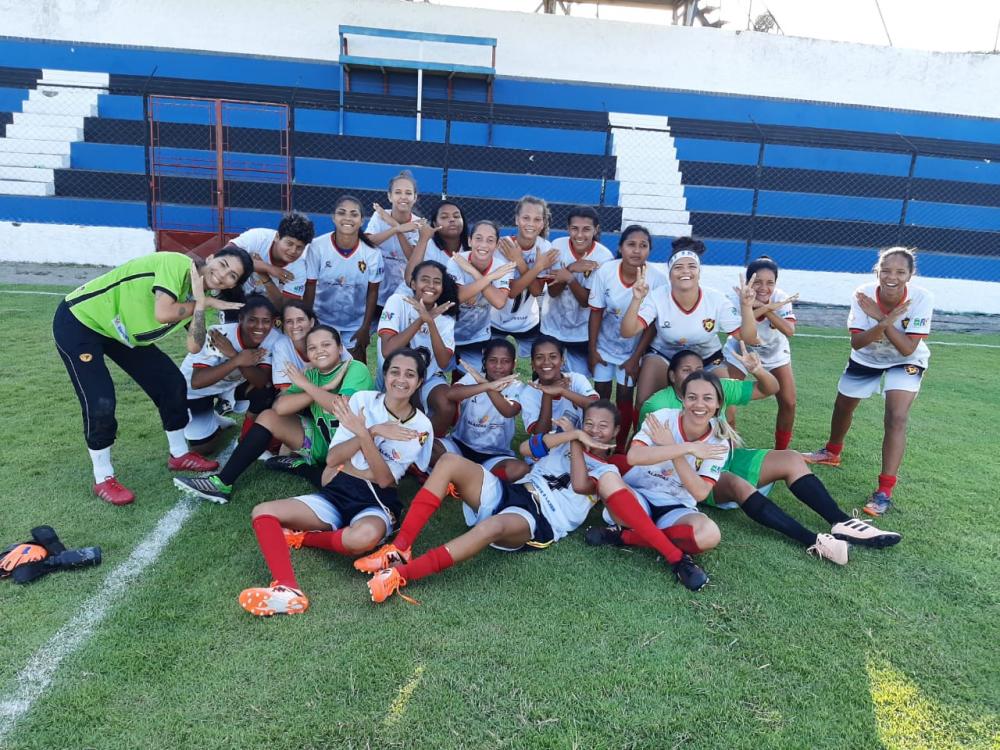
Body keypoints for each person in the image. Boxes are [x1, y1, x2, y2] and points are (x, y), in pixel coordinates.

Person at [237, 349, 434, 616]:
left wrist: (363, 436)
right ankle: (287, 589)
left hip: (376, 500)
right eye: (395, 372)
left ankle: (303, 538)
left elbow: (385, 479)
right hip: (338, 488)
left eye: (410, 374)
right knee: (263, 512)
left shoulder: (420, 426)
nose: (401, 379)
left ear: (419, 382)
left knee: (361, 539)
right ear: (385, 375)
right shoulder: (363, 401)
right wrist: (373, 432)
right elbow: (333, 458)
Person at [54, 247, 253, 505]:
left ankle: (179, 454)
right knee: (100, 401)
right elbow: (164, 312)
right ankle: (103, 476)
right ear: (212, 258)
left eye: (232, 276)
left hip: (120, 332)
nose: (222, 274)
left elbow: (194, 345)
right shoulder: (176, 264)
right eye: (224, 264)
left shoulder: (198, 297)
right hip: (81, 321)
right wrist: (201, 303)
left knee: (171, 383)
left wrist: (201, 305)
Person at [173, 325, 373, 503]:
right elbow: (280, 407)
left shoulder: (355, 368)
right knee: (269, 416)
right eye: (312, 348)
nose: (319, 351)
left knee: (340, 488)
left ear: (339, 348)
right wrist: (318, 387)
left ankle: (300, 467)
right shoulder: (311, 375)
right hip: (323, 442)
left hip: (353, 451)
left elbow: (341, 408)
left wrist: (306, 386)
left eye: (326, 345)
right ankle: (222, 483)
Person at [802, 247, 933, 517]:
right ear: (877, 271)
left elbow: (908, 349)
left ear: (910, 275)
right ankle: (832, 451)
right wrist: (885, 321)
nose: (892, 276)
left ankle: (884, 491)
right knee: (843, 406)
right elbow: (858, 342)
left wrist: (880, 320)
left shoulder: (921, 298)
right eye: (886, 270)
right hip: (868, 356)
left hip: (906, 360)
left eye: (900, 271)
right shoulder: (863, 294)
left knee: (896, 417)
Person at [622, 236, 760, 413]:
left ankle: (722, 441)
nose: (685, 271)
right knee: (645, 403)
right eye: (678, 267)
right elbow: (627, 331)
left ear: (699, 272)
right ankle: (640, 440)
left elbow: (749, 337)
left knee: (726, 409)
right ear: (670, 274)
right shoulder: (657, 296)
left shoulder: (716, 299)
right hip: (665, 354)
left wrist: (746, 307)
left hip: (707, 357)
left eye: (692, 266)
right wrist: (636, 299)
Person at [588, 225, 665, 446]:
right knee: (600, 394)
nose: (637, 250)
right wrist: (593, 350)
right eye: (631, 244)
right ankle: (598, 443)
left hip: (632, 351)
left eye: (643, 245)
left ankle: (620, 446)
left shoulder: (657, 279)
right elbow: (596, 312)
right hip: (604, 346)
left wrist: (635, 359)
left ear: (649, 250)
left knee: (624, 396)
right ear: (621, 247)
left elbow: (651, 326)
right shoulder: (606, 271)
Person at [180, 294, 281, 450]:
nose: (260, 327)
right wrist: (236, 360)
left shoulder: (273, 337)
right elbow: (197, 381)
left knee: (266, 392)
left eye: (266, 321)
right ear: (241, 319)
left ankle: (246, 438)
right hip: (193, 392)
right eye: (252, 320)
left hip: (229, 386)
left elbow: (262, 382)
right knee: (203, 449)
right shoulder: (218, 334)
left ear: (273, 322)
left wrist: (234, 355)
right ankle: (212, 418)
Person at [722, 256, 800, 449]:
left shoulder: (780, 297)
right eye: (757, 282)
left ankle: (781, 451)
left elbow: (789, 331)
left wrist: (765, 308)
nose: (764, 288)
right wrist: (751, 305)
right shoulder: (734, 297)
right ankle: (730, 447)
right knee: (726, 397)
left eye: (770, 283)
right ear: (748, 281)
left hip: (774, 352)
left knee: (789, 402)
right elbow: (740, 333)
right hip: (740, 350)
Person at [377, 260, 458, 437]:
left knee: (446, 404)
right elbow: (388, 350)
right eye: (425, 280)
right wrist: (421, 319)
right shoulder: (398, 302)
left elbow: (444, 363)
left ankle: (429, 446)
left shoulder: (446, 318)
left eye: (437, 282)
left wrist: (431, 322)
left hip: (429, 377)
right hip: (397, 375)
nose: (431, 286)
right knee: (409, 407)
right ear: (413, 283)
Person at [540, 205, 614, 376]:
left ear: (596, 230)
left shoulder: (604, 258)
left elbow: (585, 301)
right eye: (574, 229)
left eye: (586, 229)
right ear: (568, 228)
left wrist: (569, 278)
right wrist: (572, 268)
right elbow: (552, 291)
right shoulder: (557, 247)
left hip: (582, 332)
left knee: (576, 381)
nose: (579, 235)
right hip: (552, 326)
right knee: (545, 377)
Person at [434, 339, 525, 477]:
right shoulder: (473, 378)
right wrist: (486, 385)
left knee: (520, 469)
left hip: (495, 455)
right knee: (428, 446)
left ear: (514, 363)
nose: (498, 366)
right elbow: (451, 394)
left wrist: (487, 386)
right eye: (493, 360)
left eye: (505, 361)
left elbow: (509, 411)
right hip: (460, 445)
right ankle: (470, 477)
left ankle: (464, 476)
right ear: (485, 360)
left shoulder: (517, 386)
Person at [309, 196, 384, 362]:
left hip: (355, 324)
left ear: (362, 221)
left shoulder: (372, 253)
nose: (348, 218)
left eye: (354, 214)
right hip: (322, 320)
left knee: (357, 371)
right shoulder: (317, 247)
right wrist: (310, 321)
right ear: (333, 218)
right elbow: (310, 286)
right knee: (322, 366)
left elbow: (373, 292)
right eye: (342, 213)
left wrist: (365, 328)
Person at [491, 196, 559, 356]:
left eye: (537, 219)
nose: (531, 224)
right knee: (492, 363)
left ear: (542, 223)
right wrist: (538, 267)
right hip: (496, 318)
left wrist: (519, 262)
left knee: (539, 365)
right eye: (526, 218)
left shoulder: (545, 247)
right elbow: (512, 291)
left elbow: (536, 291)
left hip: (528, 321)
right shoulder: (504, 246)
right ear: (516, 219)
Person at [446, 220, 516, 366]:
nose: (483, 245)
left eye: (490, 240)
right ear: (469, 241)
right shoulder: (457, 261)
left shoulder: (501, 267)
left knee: (471, 381)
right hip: (447, 332)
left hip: (477, 335)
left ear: (496, 245)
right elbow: (458, 296)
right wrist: (490, 278)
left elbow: (499, 302)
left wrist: (473, 272)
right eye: (478, 238)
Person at [229, 211, 316, 310]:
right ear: (277, 237)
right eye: (289, 243)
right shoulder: (258, 237)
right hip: (234, 295)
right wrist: (268, 268)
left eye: (299, 247)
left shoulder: (299, 268)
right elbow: (225, 255)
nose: (293, 251)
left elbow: (284, 308)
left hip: (268, 310)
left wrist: (263, 274)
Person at [519, 335, 598, 434]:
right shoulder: (528, 393)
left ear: (562, 361)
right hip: (550, 448)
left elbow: (596, 406)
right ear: (533, 364)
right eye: (539, 357)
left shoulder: (576, 379)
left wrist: (562, 391)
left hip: (579, 445)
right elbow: (540, 434)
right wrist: (547, 394)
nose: (546, 362)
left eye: (553, 356)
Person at [367, 170, 423, 308]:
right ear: (389, 196)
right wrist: (397, 228)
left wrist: (397, 229)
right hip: (376, 290)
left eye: (408, 193)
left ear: (415, 197)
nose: (403, 197)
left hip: (404, 295)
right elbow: (367, 242)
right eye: (398, 192)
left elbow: (412, 257)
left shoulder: (419, 224)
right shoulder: (379, 216)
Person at [401, 200, 469, 293]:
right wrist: (423, 240)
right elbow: (410, 279)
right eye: (444, 217)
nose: (452, 219)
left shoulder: (473, 246)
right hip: (414, 298)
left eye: (456, 216)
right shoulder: (427, 244)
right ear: (435, 224)